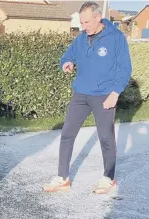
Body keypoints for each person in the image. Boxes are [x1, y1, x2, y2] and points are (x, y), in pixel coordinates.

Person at [43, 1, 132, 194]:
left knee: (106, 137)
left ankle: (108, 178)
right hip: (81, 94)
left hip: (104, 96)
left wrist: (115, 93)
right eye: (81, 23)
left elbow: (125, 69)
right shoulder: (81, 39)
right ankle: (62, 178)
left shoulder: (116, 38)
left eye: (86, 22)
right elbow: (68, 55)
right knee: (67, 134)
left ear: (98, 18)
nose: (84, 27)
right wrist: (67, 62)